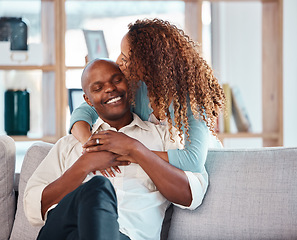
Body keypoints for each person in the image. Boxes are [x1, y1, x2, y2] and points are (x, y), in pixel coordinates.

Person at [24, 59, 208, 240]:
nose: (110, 88)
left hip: (127, 236)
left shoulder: (164, 138)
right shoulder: (69, 145)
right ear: (87, 99)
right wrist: (83, 166)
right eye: (98, 88)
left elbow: (191, 196)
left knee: (99, 189)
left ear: (129, 85)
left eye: (117, 80)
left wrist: (135, 149)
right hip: (66, 232)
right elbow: (33, 208)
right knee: (96, 189)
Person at [70, 18, 225, 178]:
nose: (117, 61)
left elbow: (193, 161)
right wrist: (91, 147)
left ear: (149, 65)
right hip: (160, 174)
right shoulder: (137, 88)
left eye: (125, 58)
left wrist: (133, 152)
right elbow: (83, 113)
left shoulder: (190, 100)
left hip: (208, 173)